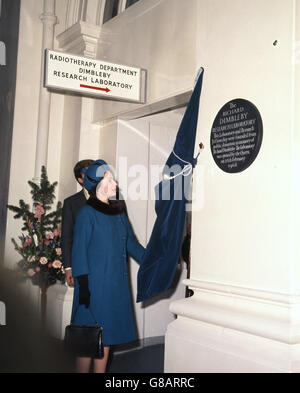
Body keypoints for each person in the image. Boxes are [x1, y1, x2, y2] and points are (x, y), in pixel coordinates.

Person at [70, 159, 145, 373]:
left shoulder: (119, 212)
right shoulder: (87, 214)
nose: (114, 182)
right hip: (92, 289)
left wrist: (152, 259)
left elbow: (131, 243)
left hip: (114, 287)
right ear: (98, 186)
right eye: (109, 179)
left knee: (106, 339)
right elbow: (79, 252)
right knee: (87, 343)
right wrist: (83, 288)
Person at [61, 159, 93, 287]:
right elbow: (67, 237)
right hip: (81, 265)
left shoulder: (110, 200)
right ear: (80, 180)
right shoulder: (71, 203)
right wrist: (68, 267)